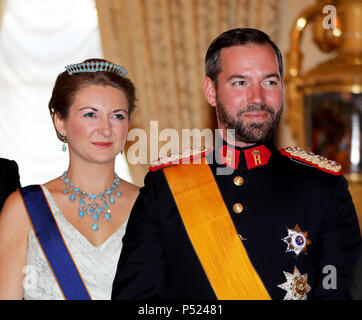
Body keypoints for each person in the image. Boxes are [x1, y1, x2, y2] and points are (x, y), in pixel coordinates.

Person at [111, 28, 361, 300]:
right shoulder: (165, 188)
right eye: (240, 83)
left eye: (269, 82)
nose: (258, 98)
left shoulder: (323, 187)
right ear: (211, 91)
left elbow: (341, 292)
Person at [0, 59, 139, 300]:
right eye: (90, 114)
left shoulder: (153, 204)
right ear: (60, 122)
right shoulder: (23, 208)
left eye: (117, 116)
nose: (106, 129)